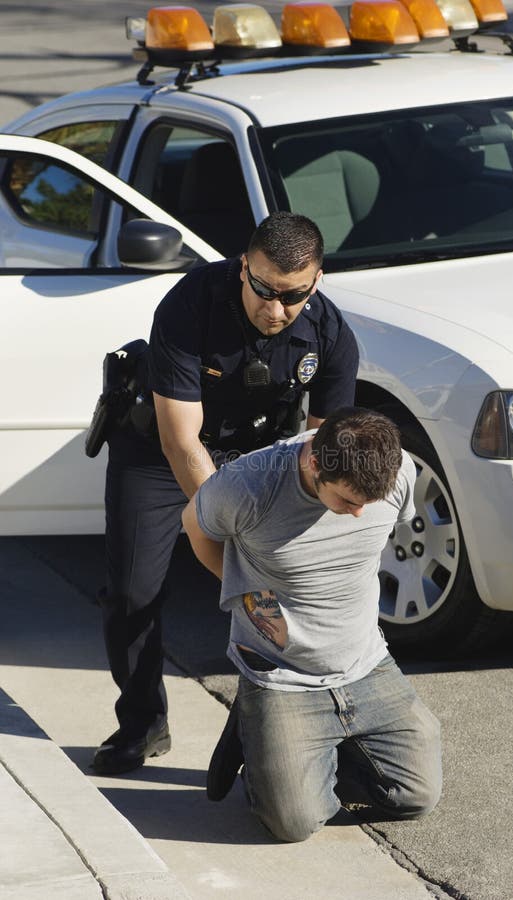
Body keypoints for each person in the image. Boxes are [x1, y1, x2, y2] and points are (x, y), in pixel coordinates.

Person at [93, 212, 359, 775]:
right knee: (132, 593)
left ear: (317, 280)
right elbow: (179, 438)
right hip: (162, 455)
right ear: (244, 267)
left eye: (294, 295)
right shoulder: (190, 306)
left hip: (261, 456)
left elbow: (324, 450)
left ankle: (260, 725)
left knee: (284, 594)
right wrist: (232, 538)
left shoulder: (330, 333)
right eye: (263, 288)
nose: (276, 308)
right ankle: (141, 724)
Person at [182, 407, 442, 842]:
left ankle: (291, 752)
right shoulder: (248, 486)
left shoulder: (397, 474)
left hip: (364, 661)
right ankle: (264, 741)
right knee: (294, 823)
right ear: (314, 462)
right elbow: (193, 523)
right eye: (346, 501)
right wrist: (246, 592)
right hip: (281, 670)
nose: (359, 514)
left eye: (367, 504)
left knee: (416, 796)